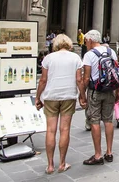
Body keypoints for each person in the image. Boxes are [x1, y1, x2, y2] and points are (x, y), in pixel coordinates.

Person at [35, 34, 84, 174]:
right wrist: (82, 96)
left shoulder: (48, 58)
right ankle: (62, 163)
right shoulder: (75, 58)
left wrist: (38, 97)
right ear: (69, 44)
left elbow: (43, 80)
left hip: (51, 96)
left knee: (50, 130)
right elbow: (79, 80)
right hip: (68, 96)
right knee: (65, 129)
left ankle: (50, 165)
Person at [81, 30, 118, 165]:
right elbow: (115, 73)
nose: (85, 44)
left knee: (95, 121)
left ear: (90, 40)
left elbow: (86, 78)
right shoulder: (111, 52)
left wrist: (82, 95)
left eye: (86, 41)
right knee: (108, 120)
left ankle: (98, 155)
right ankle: (109, 152)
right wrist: (117, 92)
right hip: (110, 90)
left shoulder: (89, 55)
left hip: (95, 91)